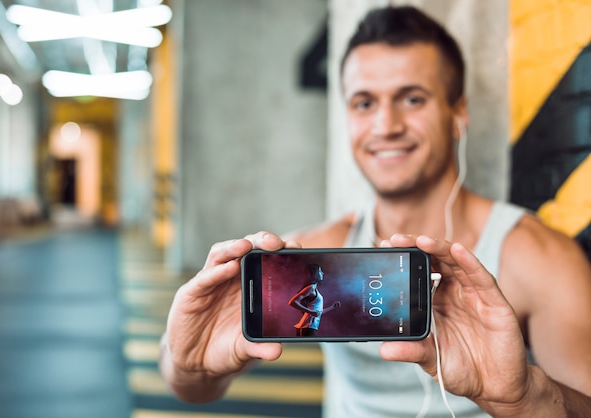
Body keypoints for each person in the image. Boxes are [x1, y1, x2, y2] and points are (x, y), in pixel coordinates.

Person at [159, 5, 591, 417]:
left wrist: (522, 400)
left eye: (412, 99)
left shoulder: (538, 258)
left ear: (458, 110)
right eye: (364, 103)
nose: (386, 126)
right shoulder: (313, 253)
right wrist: (188, 364)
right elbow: (193, 388)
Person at [288, 264, 341, 336]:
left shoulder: (314, 289)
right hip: (306, 327)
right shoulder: (311, 288)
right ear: (315, 274)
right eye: (320, 271)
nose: (322, 273)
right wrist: (311, 311)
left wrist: (332, 307)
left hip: (309, 327)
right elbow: (292, 302)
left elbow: (318, 312)